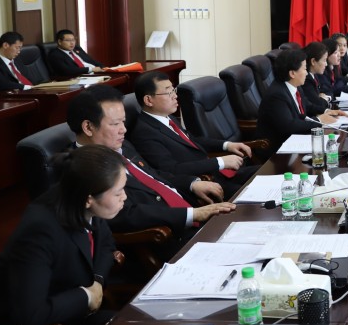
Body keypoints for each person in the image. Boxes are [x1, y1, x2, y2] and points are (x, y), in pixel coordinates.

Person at [67, 85, 234, 246]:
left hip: (192, 209)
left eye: (123, 122)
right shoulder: (79, 168)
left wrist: (192, 184)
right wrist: (192, 214)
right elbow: (124, 214)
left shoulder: (121, 145)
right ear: (88, 127)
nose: (123, 130)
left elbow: (154, 176)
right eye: (115, 124)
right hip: (167, 236)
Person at [0, 145, 122, 325]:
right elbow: (31, 316)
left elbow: (106, 245)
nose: (124, 197)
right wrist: (86, 296)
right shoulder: (40, 231)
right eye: (118, 193)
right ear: (89, 199)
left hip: (76, 315)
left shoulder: (83, 195)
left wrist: (97, 283)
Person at [128, 71, 258, 192]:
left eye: (174, 90)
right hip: (205, 184)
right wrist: (220, 162)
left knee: (266, 174)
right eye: (168, 92)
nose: (175, 96)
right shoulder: (144, 132)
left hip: (218, 173)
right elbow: (171, 170)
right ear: (148, 100)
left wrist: (227, 145)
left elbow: (191, 141)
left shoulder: (167, 116)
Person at [257, 49, 339, 151]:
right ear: (292, 73)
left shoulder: (295, 85)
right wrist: (319, 120)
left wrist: (327, 111)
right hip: (277, 150)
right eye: (304, 69)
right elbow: (289, 125)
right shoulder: (277, 95)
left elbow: (307, 105)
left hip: (296, 140)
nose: (307, 73)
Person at [300, 42, 348, 119]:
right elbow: (318, 104)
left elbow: (329, 91)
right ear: (313, 61)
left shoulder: (314, 75)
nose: (326, 64)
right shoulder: (306, 80)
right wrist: (325, 99)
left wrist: (325, 98)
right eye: (324, 60)